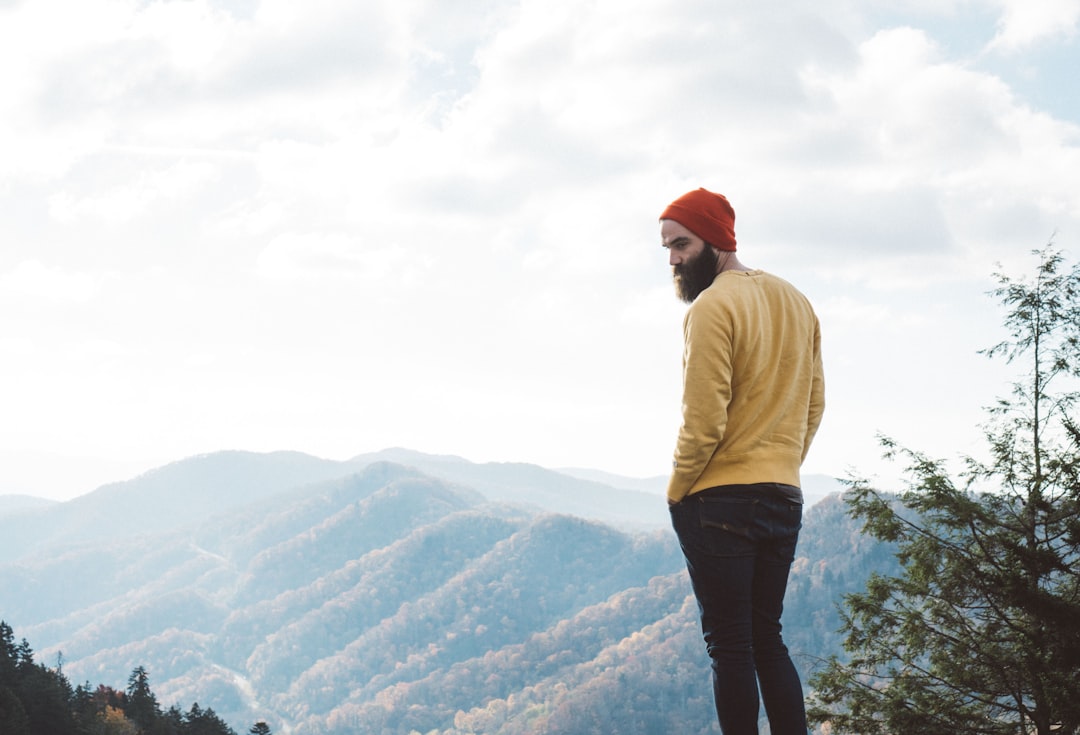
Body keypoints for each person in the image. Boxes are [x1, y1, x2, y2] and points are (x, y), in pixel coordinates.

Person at [660, 188, 825, 735]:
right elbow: (815, 402)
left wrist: (677, 490)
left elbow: (703, 422)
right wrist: (782, 466)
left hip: (719, 502)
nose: (673, 259)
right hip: (784, 495)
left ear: (717, 240)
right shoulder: (797, 301)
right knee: (767, 639)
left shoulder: (712, 307)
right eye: (667, 247)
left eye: (681, 244)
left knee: (729, 647)